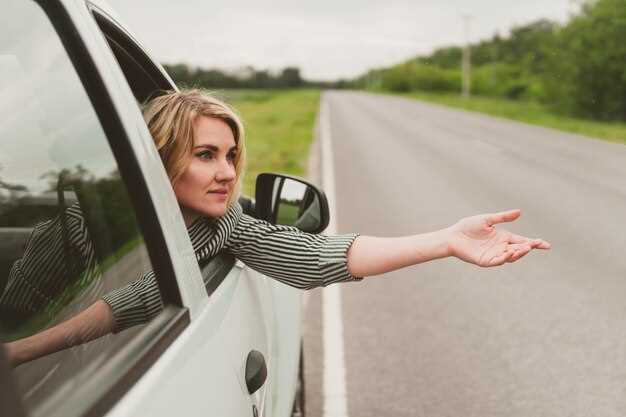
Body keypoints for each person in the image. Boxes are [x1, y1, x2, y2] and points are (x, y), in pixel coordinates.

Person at [2, 90, 551, 367]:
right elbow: (16, 313)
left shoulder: (228, 225)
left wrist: (446, 240)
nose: (226, 172)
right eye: (205, 155)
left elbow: (317, 257)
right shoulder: (78, 224)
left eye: (231, 155)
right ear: (160, 161)